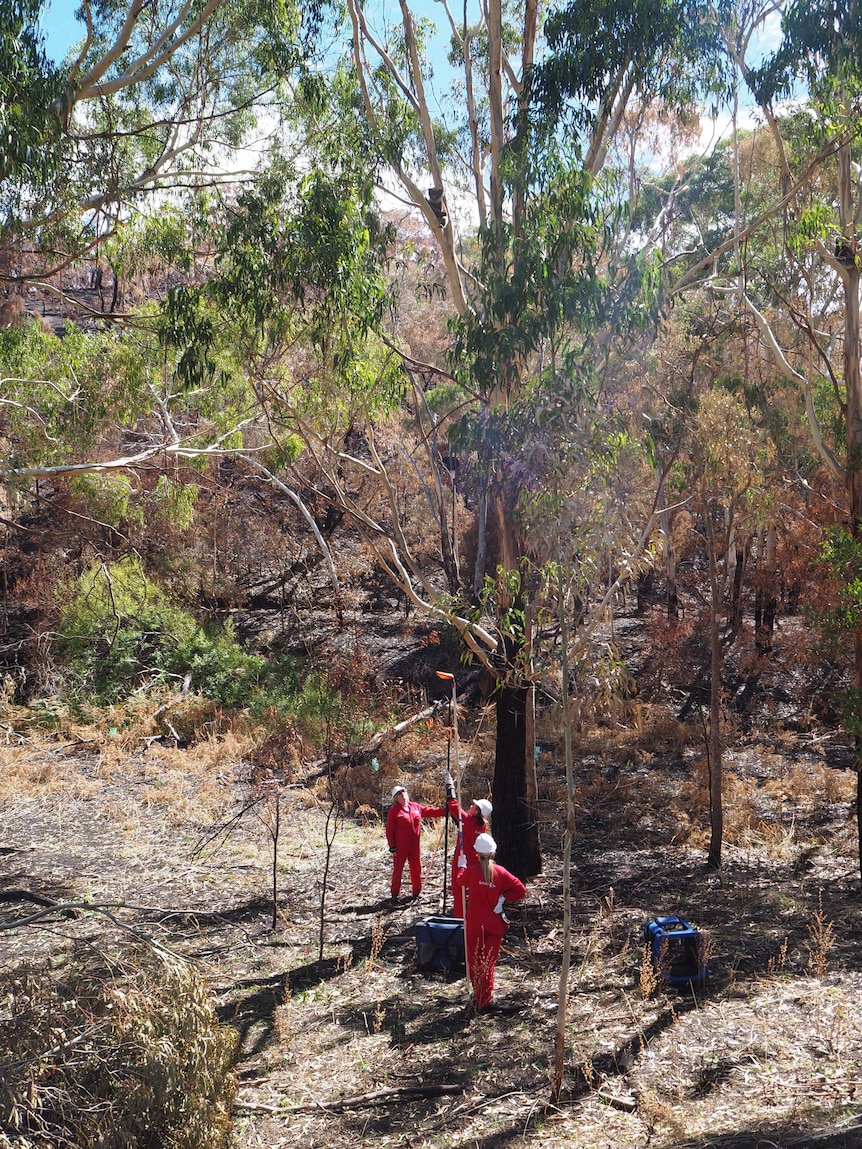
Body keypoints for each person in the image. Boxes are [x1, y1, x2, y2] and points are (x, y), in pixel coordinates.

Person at [454, 832, 526, 1012]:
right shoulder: (500, 872)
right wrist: (503, 898)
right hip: (493, 924)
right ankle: (483, 998)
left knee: (475, 960)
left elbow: (460, 881)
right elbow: (520, 890)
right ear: (493, 853)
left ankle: (481, 997)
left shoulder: (471, 871)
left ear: (476, 853)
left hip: (474, 924)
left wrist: (461, 867)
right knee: (487, 962)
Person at [386, 784, 446, 900]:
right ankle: (394, 893)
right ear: (395, 798)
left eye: (403, 792)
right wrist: (392, 845)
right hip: (400, 845)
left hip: (414, 845)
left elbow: (429, 811)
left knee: (416, 867)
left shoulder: (415, 807)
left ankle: (416, 892)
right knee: (398, 868)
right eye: (399, 793)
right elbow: (389, 829)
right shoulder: (394, 811)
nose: (402, 794)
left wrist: (444, 811)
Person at [444, 773, 492, 918]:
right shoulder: (482, 826)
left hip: (462, 861)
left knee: (459, 891)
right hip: (475, 861)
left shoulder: (467, 822)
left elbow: (453, 805)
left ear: (477, 811)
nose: (470, 806)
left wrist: (449, 785)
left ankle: (459, 920)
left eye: (473, 806)